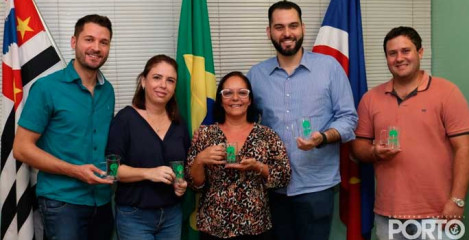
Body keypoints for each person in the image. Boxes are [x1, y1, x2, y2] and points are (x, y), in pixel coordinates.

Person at [246, 1, 358, 240]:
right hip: (273, 187)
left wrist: (323, 137)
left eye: (293, 25)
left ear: (303, 28)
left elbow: (349, 119)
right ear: (269, 32)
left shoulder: (329, 67)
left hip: (316, 186)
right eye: (279, 27)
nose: (287, 33)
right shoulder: (256, 75)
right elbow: (245, 125)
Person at [352, 26, 469, 240]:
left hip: (438, 214)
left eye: (406, 51)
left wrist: (457, 200)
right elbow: (358, 148)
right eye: (392, 53)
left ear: (420, 52)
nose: (399, 58)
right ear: (387, 58)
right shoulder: (370, 99)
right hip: (387, 214)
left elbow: (466, 148)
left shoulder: (448, 92)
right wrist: (374, 152)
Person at [12, 14, 115, 240]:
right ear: (73, 42)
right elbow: (21, 148)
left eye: (103, 42)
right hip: (62, 203)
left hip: (103, 201)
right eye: (89, 39)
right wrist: (75, 170)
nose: (96, 47)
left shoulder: (108, 90)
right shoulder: (47, 88)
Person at [186, 71, 291, 240]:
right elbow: (194, 184)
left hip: (256, 225)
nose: (235, 98)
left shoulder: (267, 135)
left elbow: (284, 176)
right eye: (228, 93)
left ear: (249, 100)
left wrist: (258, 167)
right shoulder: (206, 135)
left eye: (242, 93)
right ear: (220, 100)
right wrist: (200, 160)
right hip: (214, 226)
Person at [106, 54, 189, 240]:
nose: (163, 85)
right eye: (157, 77)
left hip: (172, 215)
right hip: (134, 217)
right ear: (143, 81)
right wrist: (148, 173)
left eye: (170, 80)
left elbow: (183, 167)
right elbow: (112, 171)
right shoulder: (125, 119)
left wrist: (181, 184)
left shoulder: (179, 123)